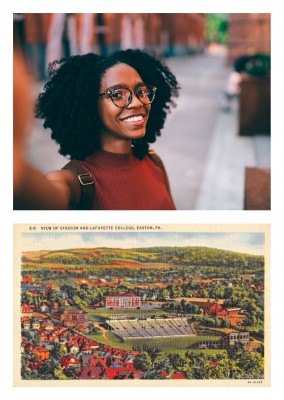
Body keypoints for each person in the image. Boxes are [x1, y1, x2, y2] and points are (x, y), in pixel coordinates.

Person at [15, 49, 180, 210]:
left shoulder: (154, 162)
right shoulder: (74, 183)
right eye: (117, 95)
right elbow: (35, 195)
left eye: (141, 91)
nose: (137, 102)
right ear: (90, 106)